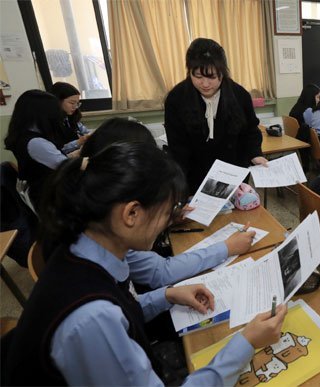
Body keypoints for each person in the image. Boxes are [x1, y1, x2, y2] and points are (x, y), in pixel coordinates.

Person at [1, 142, 287, 385]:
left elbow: (124, 307)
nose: (167, 223)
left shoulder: (83, 247)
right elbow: (109, 317)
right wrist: (246, 343)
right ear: (132, 213)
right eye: (166, 212)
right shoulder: (92, 318)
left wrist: (166, 295)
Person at [78, 117, 256, 289]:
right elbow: (159, 272)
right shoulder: (109, 230)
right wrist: (227, 248)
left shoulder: (96, 204)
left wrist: (165, 218)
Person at [165, 38, 266, 194]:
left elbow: (250, 131)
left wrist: (255, 154)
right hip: (194, 178)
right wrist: (178, 189)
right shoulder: (176, 99)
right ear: (189, 71)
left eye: (212, 77)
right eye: (198, 76)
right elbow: (178, 148)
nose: (205, 84)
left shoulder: (240, 95)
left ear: (222, 72)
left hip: (233, 174)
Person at [4, 90, 70, 209]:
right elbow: (66, 166)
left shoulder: (24, 135)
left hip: (43, 190)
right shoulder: (35, 142)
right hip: (48, 196)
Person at [50, 82, 91, 155]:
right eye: (72, 103)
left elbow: (85, 132)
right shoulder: (50, 123)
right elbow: (57, 151)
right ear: (58, 101)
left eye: (77, 103)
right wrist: (78, 142)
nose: (75, 107)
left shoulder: (71, 118)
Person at [289, 84, 320, 171]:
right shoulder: (308, 110)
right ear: (311, 97)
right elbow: (314, 128)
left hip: (296, 140)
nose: (319, 100)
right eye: (317, 97)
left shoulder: (297, 106)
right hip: (304, 143)